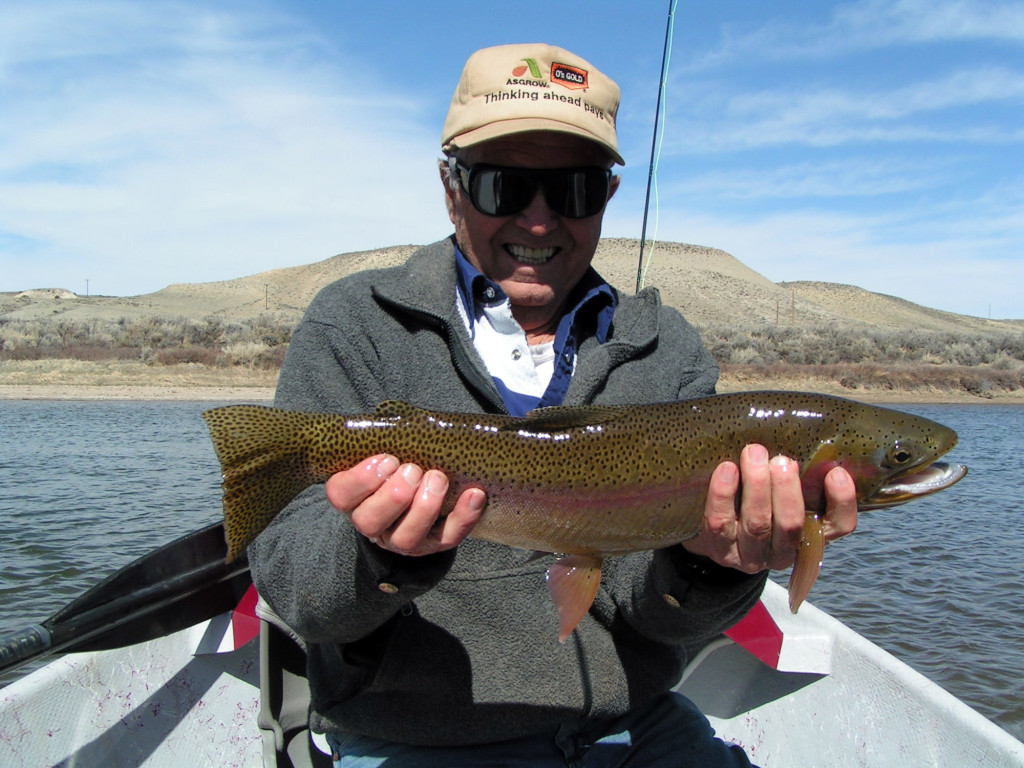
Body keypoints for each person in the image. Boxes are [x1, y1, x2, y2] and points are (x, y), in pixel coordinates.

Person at [249, 42, 858, 767]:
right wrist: (378, 554)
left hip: (634, 728)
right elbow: (295, 590)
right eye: (504, 185)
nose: (539, 221)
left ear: (607, 195)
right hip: (416, 738)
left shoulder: (665, 350)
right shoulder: (356, 326)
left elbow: (655, 616)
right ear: (451, 187)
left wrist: (711, 568)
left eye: (573, 190)